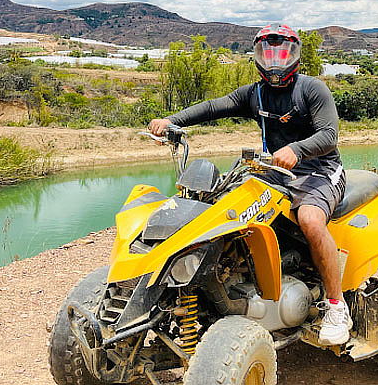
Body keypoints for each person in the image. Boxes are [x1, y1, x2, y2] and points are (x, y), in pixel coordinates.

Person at [149, 23, 351, 345]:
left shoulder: (312, 89)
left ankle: (337, 307)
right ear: (257, 55)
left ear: (294, 55)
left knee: (310, 221)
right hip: (274, 171)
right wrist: (174, 121)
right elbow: (215, 107)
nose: (275, 61)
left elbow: (329, 136)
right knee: (224, 207)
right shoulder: (254, 93)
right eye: (268, 53)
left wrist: (296, 150)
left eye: (282, 53)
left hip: (319, 171)